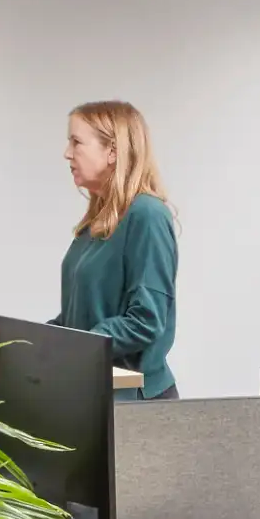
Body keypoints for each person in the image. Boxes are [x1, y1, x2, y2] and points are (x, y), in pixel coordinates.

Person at [55, 99, 178, 400]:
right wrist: (20, 340)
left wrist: (79, 347)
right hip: (92, 392)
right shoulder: (95, 224)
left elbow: (146, 321)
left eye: (76, 142)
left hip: (134, 403)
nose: (67, 153)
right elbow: (78, 320)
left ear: (112, 151)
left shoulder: (147, 215)